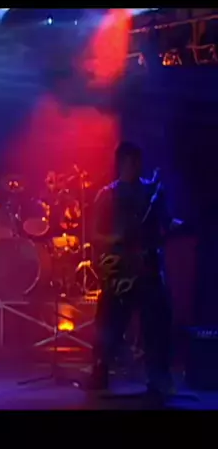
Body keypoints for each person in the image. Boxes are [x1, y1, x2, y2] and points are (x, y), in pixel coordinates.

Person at [89, 141, 181, 400]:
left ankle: (158, 378)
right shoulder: (107, 195)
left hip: (148, 267)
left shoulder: (153, 191)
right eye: (131, 161)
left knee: (157, 323)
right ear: (121, 163)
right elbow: (94, 234)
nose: (136, 166)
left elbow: (167, 223)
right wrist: (115, 239)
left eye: (138, 161)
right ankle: (100, 371)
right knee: (109, 323)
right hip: (119, 269)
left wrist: (180, 227)